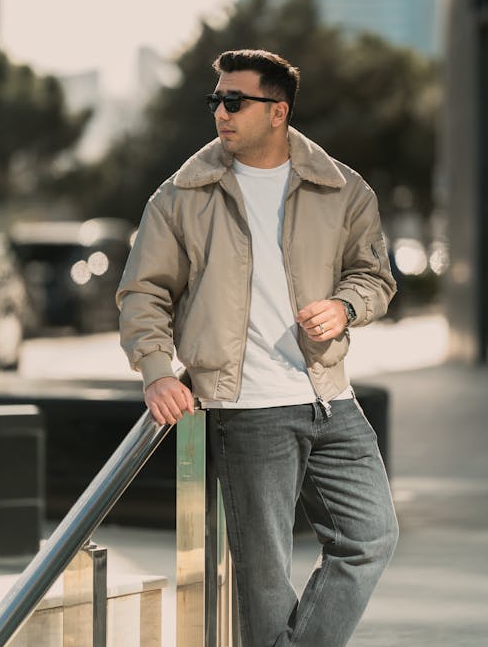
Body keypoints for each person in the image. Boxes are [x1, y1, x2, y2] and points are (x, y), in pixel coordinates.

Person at [116, 49, 399, 647]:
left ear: (278, 111)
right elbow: (143, 292)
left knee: (371, 536)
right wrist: (156, 371)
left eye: (235, 100)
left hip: (330, 398)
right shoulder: (181, 195)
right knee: (265, 584)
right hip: (245, 410)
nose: (221, 111)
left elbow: (374, 276)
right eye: (217, 99)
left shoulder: (341, 188)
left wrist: (344, 306)